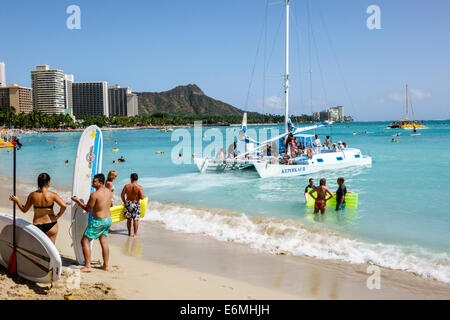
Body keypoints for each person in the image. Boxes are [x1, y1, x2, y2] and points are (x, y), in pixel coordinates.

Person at [71, 174, 113, 272]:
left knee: (84, 241)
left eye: (94, 181)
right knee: (104, 241)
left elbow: (87, 209)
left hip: (98, 222)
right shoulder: (109, 191)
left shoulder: (94, 195)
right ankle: (106, 266)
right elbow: (109, 204)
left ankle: (87, 266)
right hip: (108, 220)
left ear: (100, 183)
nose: (92, 182)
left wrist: (77, 201)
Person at [9, 173, 67, 244]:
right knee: (50, 249)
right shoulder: (53, 195)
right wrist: (58, 215)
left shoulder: (32, 195)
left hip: (37, 225)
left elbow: (24, 210)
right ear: (48, 182)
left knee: (38, 249)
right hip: (51, 224)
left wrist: (17, 201)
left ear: (38, 183)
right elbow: (64, 206)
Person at [121, 173, 145, 238]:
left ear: (131, 178)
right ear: (137, 179)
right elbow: (142, 197)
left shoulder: (126, 186)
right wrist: (138, 197)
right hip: (136, 204)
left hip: (128, 203)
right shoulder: (139, 187)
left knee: (128, 219)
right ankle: (135, 234)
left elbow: (122, 195)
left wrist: (124, 202)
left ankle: (129, 233)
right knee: (135, 219)